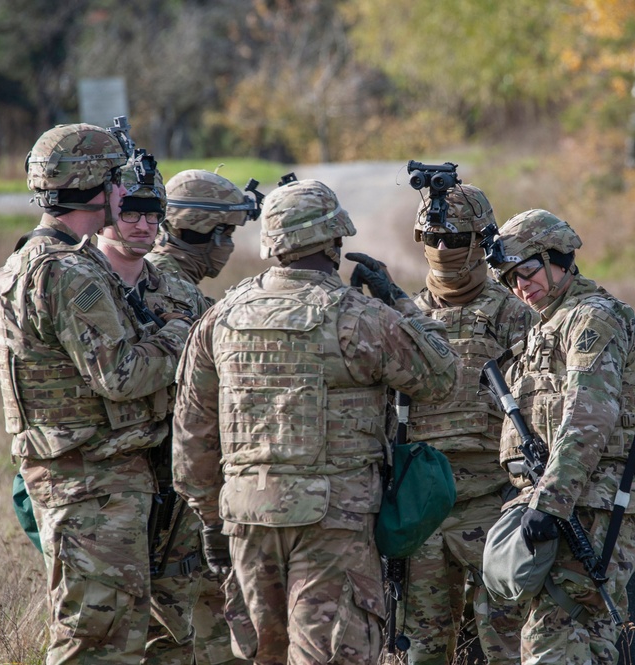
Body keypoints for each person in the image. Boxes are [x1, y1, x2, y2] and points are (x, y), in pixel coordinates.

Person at [171, 177, 461, 664]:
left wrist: (213, 519)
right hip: (334, 524)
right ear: (334, 242)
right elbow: (443, 375)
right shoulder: (358, 317)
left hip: (247, 519)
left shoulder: (222, 318)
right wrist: (399, 301)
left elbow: (192, 439)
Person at [0, 123, 193, 664]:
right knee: (97, 642)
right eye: (117, 181)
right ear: (96, 188)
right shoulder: (69, 273)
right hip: (91, 483)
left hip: (86, 477)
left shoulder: (33, 259)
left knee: (114, 636)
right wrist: (182, 333)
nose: (126, 194)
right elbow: (121, 375)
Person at [484, 210, 635, 665]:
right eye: (510, 279)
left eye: (527, 271)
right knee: (584, 642)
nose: (520, 286)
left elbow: (588, 416)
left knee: (555, 641)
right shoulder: (551, 322)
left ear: (557, 258)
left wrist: (550, 501)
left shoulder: (592, 319)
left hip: (589, 508)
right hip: (566, 503)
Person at [401, 184, 536, 664]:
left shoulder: (515, 316)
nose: (441, 250)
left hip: (492, 503)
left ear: (482, 241)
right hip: (424, 506)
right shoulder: (407, 317)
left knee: (506, 646)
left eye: (455, 239)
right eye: (431, 238)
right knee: (423, 648)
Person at [146, 167, 260, 665]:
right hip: (175, 489)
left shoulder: (140, 275)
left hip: (157, 483)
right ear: (208, 235)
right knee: (183, 625)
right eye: (228, 234)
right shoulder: (182, 298)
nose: (230, 247)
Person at [148, 169, 252, 294]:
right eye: (227, 235)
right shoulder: (167, 285)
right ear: (198, 227)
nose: (230, 246)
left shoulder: (166, 274)